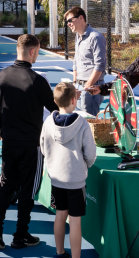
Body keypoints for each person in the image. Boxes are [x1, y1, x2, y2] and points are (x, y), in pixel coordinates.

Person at [0, 34, 59, 250]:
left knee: (6, 186)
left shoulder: (1, 76)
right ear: (32, 51)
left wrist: (3, 131)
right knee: (28, 190)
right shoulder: (37, 80)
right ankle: (20, 235)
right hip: (31, 144)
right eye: (37, 51)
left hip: (9, 141)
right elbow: (55, 109)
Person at [41, 82, 97, 258]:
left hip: (56, 177)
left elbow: (43, 147)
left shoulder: (48, 122)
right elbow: (90, 153)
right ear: (74, 100)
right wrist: (85, 165)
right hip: (75, 180)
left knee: (60, 214)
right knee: (75, 220)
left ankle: (59, 251)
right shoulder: (82, 124)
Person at [65, 6, 107, 116]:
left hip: (91, 88)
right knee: (79, 120)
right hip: (79, 86)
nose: (68, 24)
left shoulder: (95, 37)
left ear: (81, 18)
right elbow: (76, 61)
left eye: (70, 20)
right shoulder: (78, 36)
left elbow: (100, 65)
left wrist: (87, 87)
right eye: (67, 22)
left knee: (89, 122)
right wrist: (74, 84)